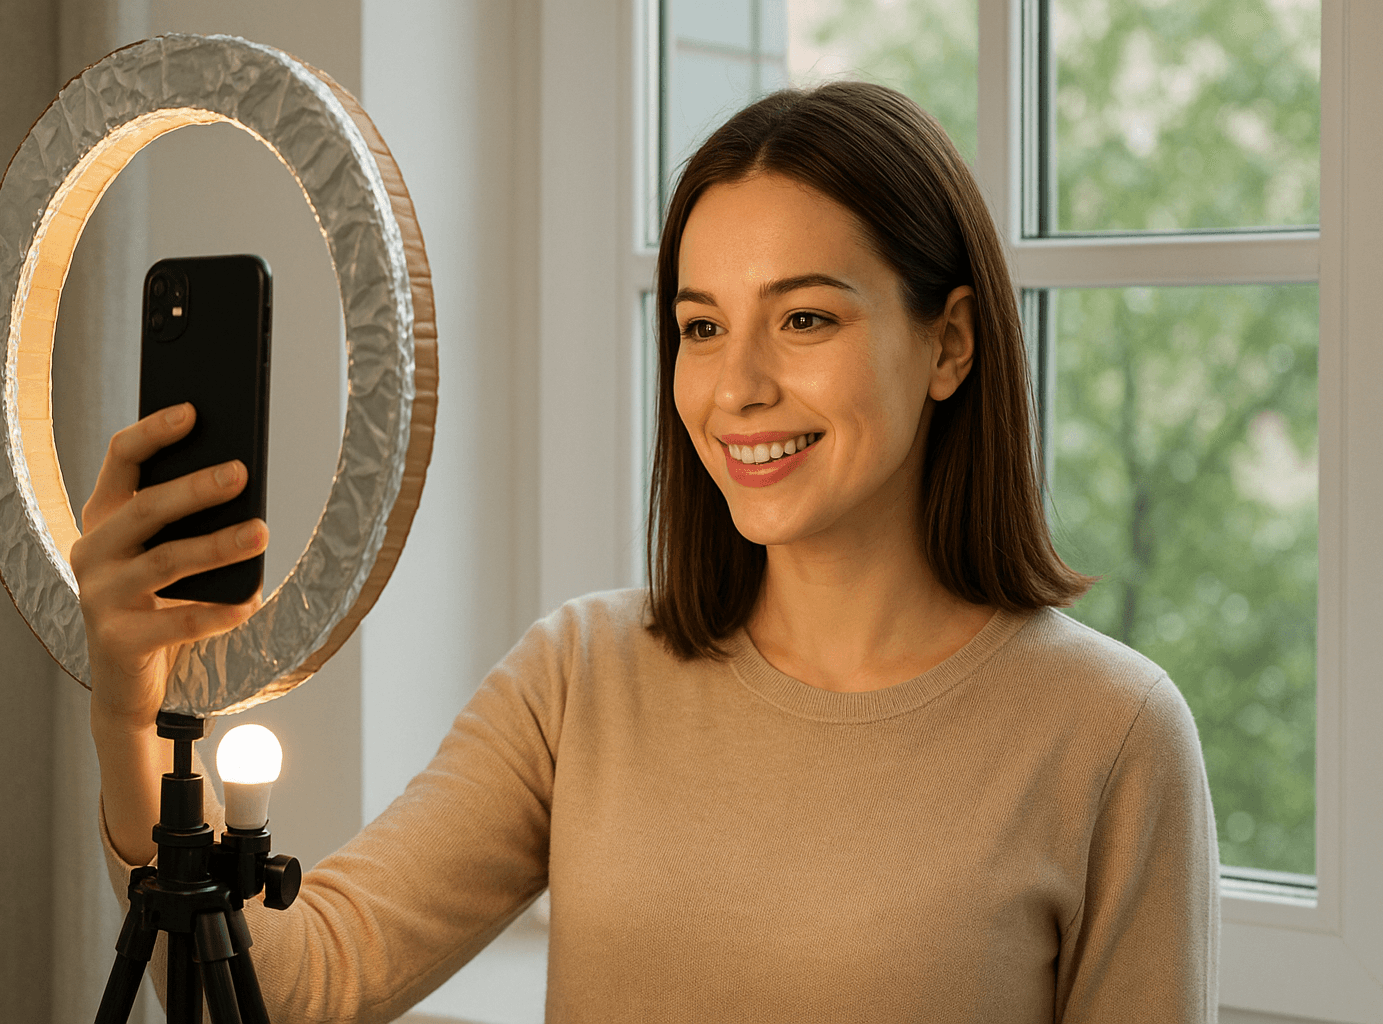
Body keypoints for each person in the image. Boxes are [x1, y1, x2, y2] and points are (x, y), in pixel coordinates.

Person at [74, 81, 1219, 1023]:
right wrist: (129, 716)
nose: (739, 387)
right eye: (701, 325)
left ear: (951, 343)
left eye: (807, 317)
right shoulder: (581, 677)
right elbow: (289, 988)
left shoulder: (1108, 735)